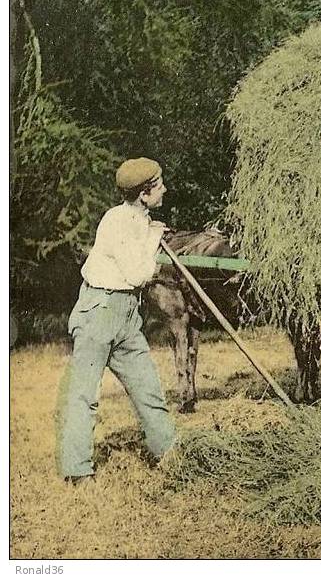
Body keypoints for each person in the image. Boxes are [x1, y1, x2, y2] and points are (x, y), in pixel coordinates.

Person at [58, 157, 177, 485]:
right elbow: (138, 274)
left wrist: (152, 232)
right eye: (160, 184)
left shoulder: (140, 218)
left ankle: (170, 455)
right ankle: (78, 471)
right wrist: (153, 240)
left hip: (126, 315)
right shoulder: (117, 221)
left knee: (148, 388)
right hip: (99, 311)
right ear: (143, 194)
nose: (165, 188)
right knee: (85, 394)